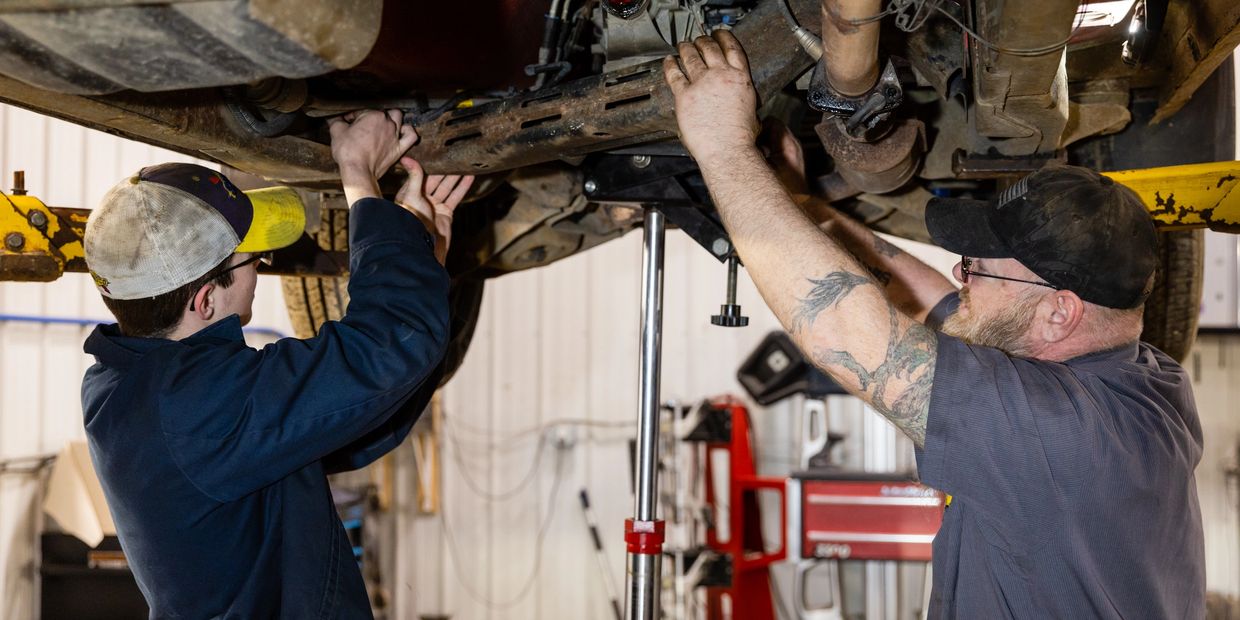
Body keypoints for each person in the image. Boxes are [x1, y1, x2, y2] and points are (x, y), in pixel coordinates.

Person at [664, 31, 1204, 618]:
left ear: (1060, 312)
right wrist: (800, 205)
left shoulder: (1059, 439)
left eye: (977, 269)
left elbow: (845, 330)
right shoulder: (1145, 380)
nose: (958, 273)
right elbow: (941, 308)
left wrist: (723, 148)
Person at [81, 109, 473, 618]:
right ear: (204, 301)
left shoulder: (127, 382)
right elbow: (384, 347)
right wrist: (358, 174)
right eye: (250, 259)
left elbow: (352, 415)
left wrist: (419, 261)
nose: (262, 266)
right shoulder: (195, 409)